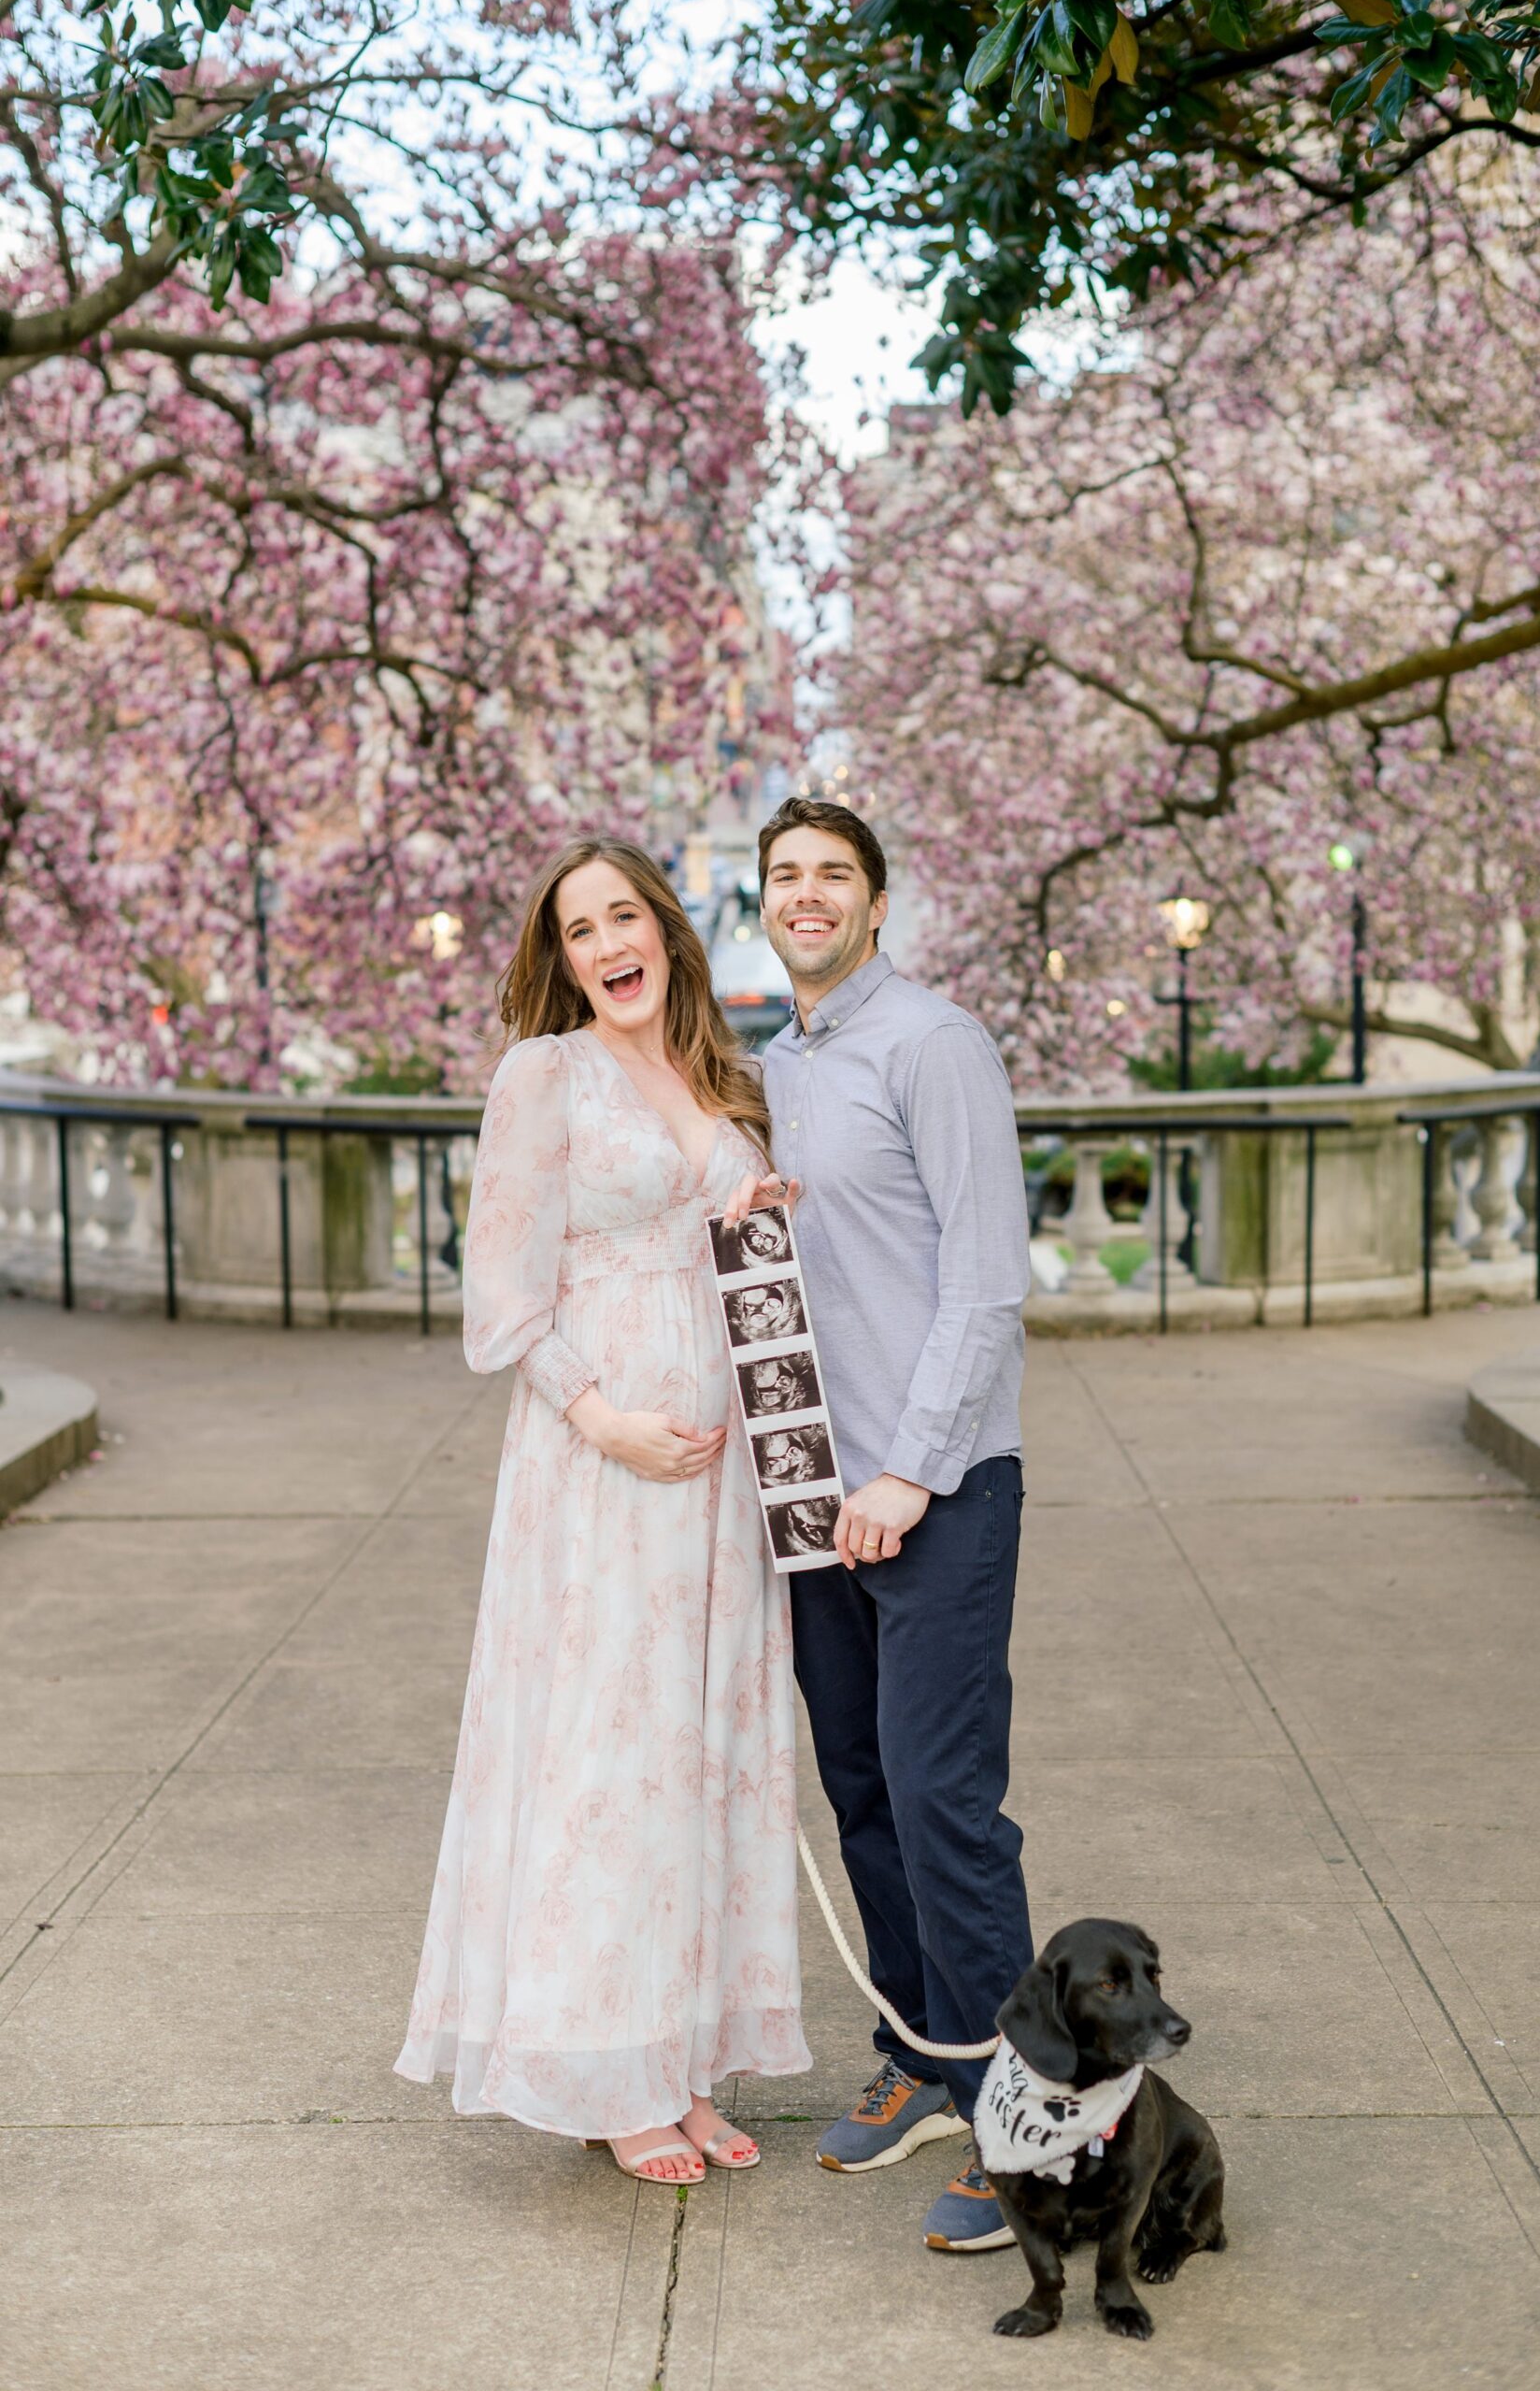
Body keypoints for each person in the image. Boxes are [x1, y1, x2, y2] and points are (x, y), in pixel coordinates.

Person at [395, 838, 810, 2186]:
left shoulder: (714, 1072)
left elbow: (741, 1242)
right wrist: (603, 1419)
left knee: (703, 1753)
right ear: (560, 958)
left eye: (625, 915)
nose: (607, 945)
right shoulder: (542, 1076)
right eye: (580, 931)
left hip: (722, 1486)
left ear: (666, 934)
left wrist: (734, 1179)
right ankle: (604, 2069)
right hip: (601, 1477)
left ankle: (680, 2061)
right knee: (609, 1758)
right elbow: (502, 1299)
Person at [723, 795, 1034, 2253]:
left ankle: (1028, 2125)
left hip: (938, 1490)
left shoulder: (935, 1043)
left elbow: (984, 1281)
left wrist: (909, 1471)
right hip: (814, 1498)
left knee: (942, 1802)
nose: (805, 895)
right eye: (784, 875)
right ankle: (926, 2054)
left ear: (875, 902)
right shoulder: (768, 1066)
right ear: (761, 900)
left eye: (831, 875)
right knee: (859, 1791)